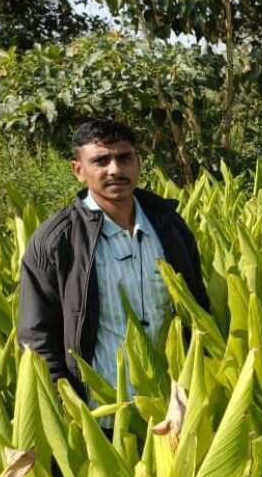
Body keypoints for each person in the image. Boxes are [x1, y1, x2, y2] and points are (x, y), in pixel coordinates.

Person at [18, 117, 210, 400]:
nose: (115, 169)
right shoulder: (57, 241)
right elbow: (37, 336)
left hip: (174, 404)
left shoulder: (169, 226)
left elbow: (197, 308)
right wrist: (64, 404)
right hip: (100, 411)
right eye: (101, 161)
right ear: (78, 170)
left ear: (138, 162)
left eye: (124, 158)